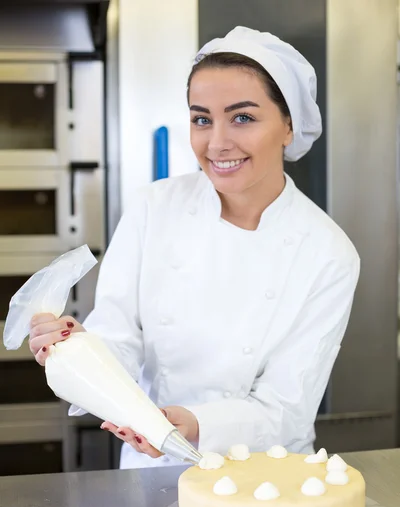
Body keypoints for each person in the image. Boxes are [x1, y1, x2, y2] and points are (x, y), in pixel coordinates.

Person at [29, 26, 360, 469]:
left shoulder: (328, 253)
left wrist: (193, 424)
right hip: (149, 468)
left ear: (288, 126)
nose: (217, 142)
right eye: (202, 118)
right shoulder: (154, 208)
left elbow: (285, 409)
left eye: (243, 117)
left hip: (266, 480)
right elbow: (118, 340)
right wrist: (77, 352)